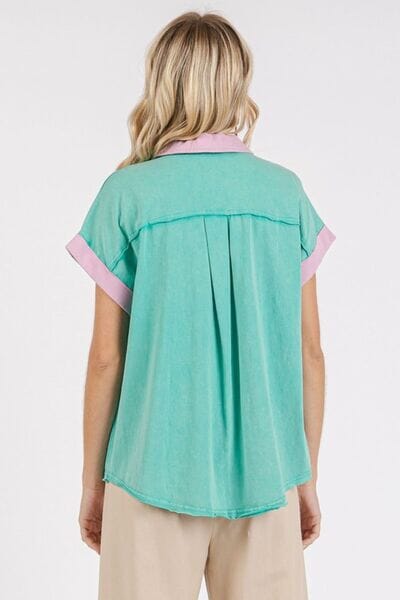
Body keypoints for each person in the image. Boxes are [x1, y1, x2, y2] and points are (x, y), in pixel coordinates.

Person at [65, 11, 335, 600]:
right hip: (268, 474)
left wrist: (92, 484)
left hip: (148, 474)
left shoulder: (127, 195)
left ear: (161, 81)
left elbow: (106, 358)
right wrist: (306, 478)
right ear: (237, 81)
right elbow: (310, 352)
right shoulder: (284, 193)